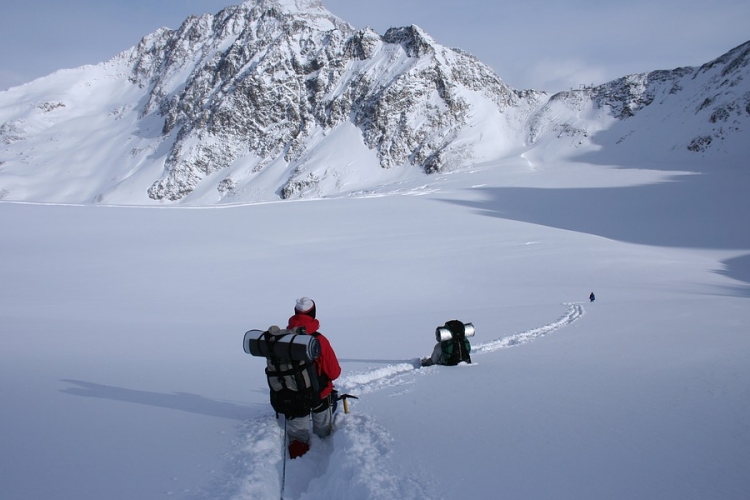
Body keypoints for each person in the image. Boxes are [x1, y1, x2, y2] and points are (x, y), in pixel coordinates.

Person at [284, 297, 341, 459]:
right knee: (324, 434)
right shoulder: (319, 340)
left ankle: (298, 460)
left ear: (295, 313)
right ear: (313, 313)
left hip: (292, 396)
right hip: (319, 396)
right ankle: (324, 458)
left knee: (297, 439)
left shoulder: (283, 338)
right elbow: (334, 372)